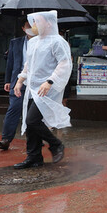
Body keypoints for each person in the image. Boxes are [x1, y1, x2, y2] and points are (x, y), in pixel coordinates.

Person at [12, 11, 72, 169]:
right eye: (32, 22)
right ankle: (34, 157)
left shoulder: (58, 42)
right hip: (33, 88)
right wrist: (20, 81)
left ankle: (55, 144)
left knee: (32, 120)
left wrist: (50, 81)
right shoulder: (33, 42)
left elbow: (64, 64)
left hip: (48, 88)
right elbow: (28, 65)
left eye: (37, 22)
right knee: (30, 122)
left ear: (49, 23)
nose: (33, 26)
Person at [0, 17, 33, 151]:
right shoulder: (15, 43)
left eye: (34, 25)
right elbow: (10, 62)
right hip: (18, 81)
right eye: (28, 25)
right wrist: (8, 81)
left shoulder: (42, 42)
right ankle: (6, 139)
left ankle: (35, 139)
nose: (31, 28)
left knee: (33, 112)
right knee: (14, 108)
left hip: (36, 82)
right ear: (23, 28)